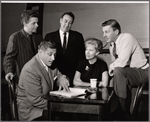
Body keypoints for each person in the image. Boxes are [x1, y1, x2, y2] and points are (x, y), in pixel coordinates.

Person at [101, 19, 149, 120]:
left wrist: (111, 67)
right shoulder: (112, 45)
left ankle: (123, 111)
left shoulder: (127, 38)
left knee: (118, 71)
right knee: (117, 72)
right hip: (130, 73)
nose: (104, 35)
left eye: (107, 32)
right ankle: (120, 109)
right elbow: (115, 63)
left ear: (116, 31)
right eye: (103, 32)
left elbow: (121, 62)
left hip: (144, 72)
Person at [17, 41, 70, 121]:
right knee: (61, 116)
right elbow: (36, 100)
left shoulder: (49, 62)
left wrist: (61, 77)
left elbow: (57, 73)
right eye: (50, 55)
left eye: (54, 54)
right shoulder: (30, 69)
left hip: (43, 104)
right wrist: (59, 106)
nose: (53, 58)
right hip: (31, 110)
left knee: (67, 114)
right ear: (40, 52)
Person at [44, 12, 85, 87]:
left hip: (72, 75)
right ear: (60, 20)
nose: (67, 25)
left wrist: (78, 75)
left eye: (70, 23)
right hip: (55, 75)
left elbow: (81, 58)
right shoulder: (49, 36)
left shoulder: (78, 36)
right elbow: (46, 57)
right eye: (65, 21)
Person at [3, 10, 43, 83]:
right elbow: (9, 57)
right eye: (34, 23)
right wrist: (9, 72)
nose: (37, 25)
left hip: (37, 78)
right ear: (25, 23)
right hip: (22, 78)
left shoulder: (39, 38)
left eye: (37, 23)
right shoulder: (15, 37)